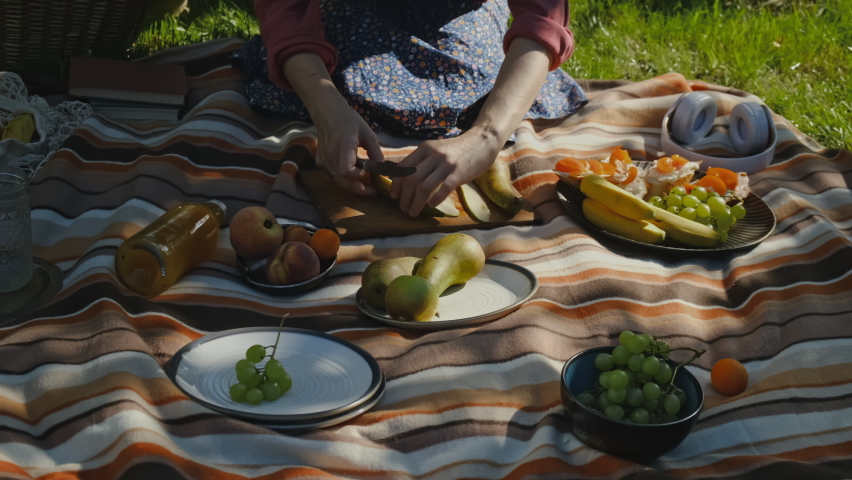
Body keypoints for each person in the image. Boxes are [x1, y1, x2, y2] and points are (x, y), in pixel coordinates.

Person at [236, 0, 587, 216]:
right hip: (352, 14)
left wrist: (486, 136)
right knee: (348, 78)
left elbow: (545, 16)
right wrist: (325, 104)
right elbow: (288, 9)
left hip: (461, 17)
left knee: (480, 82)